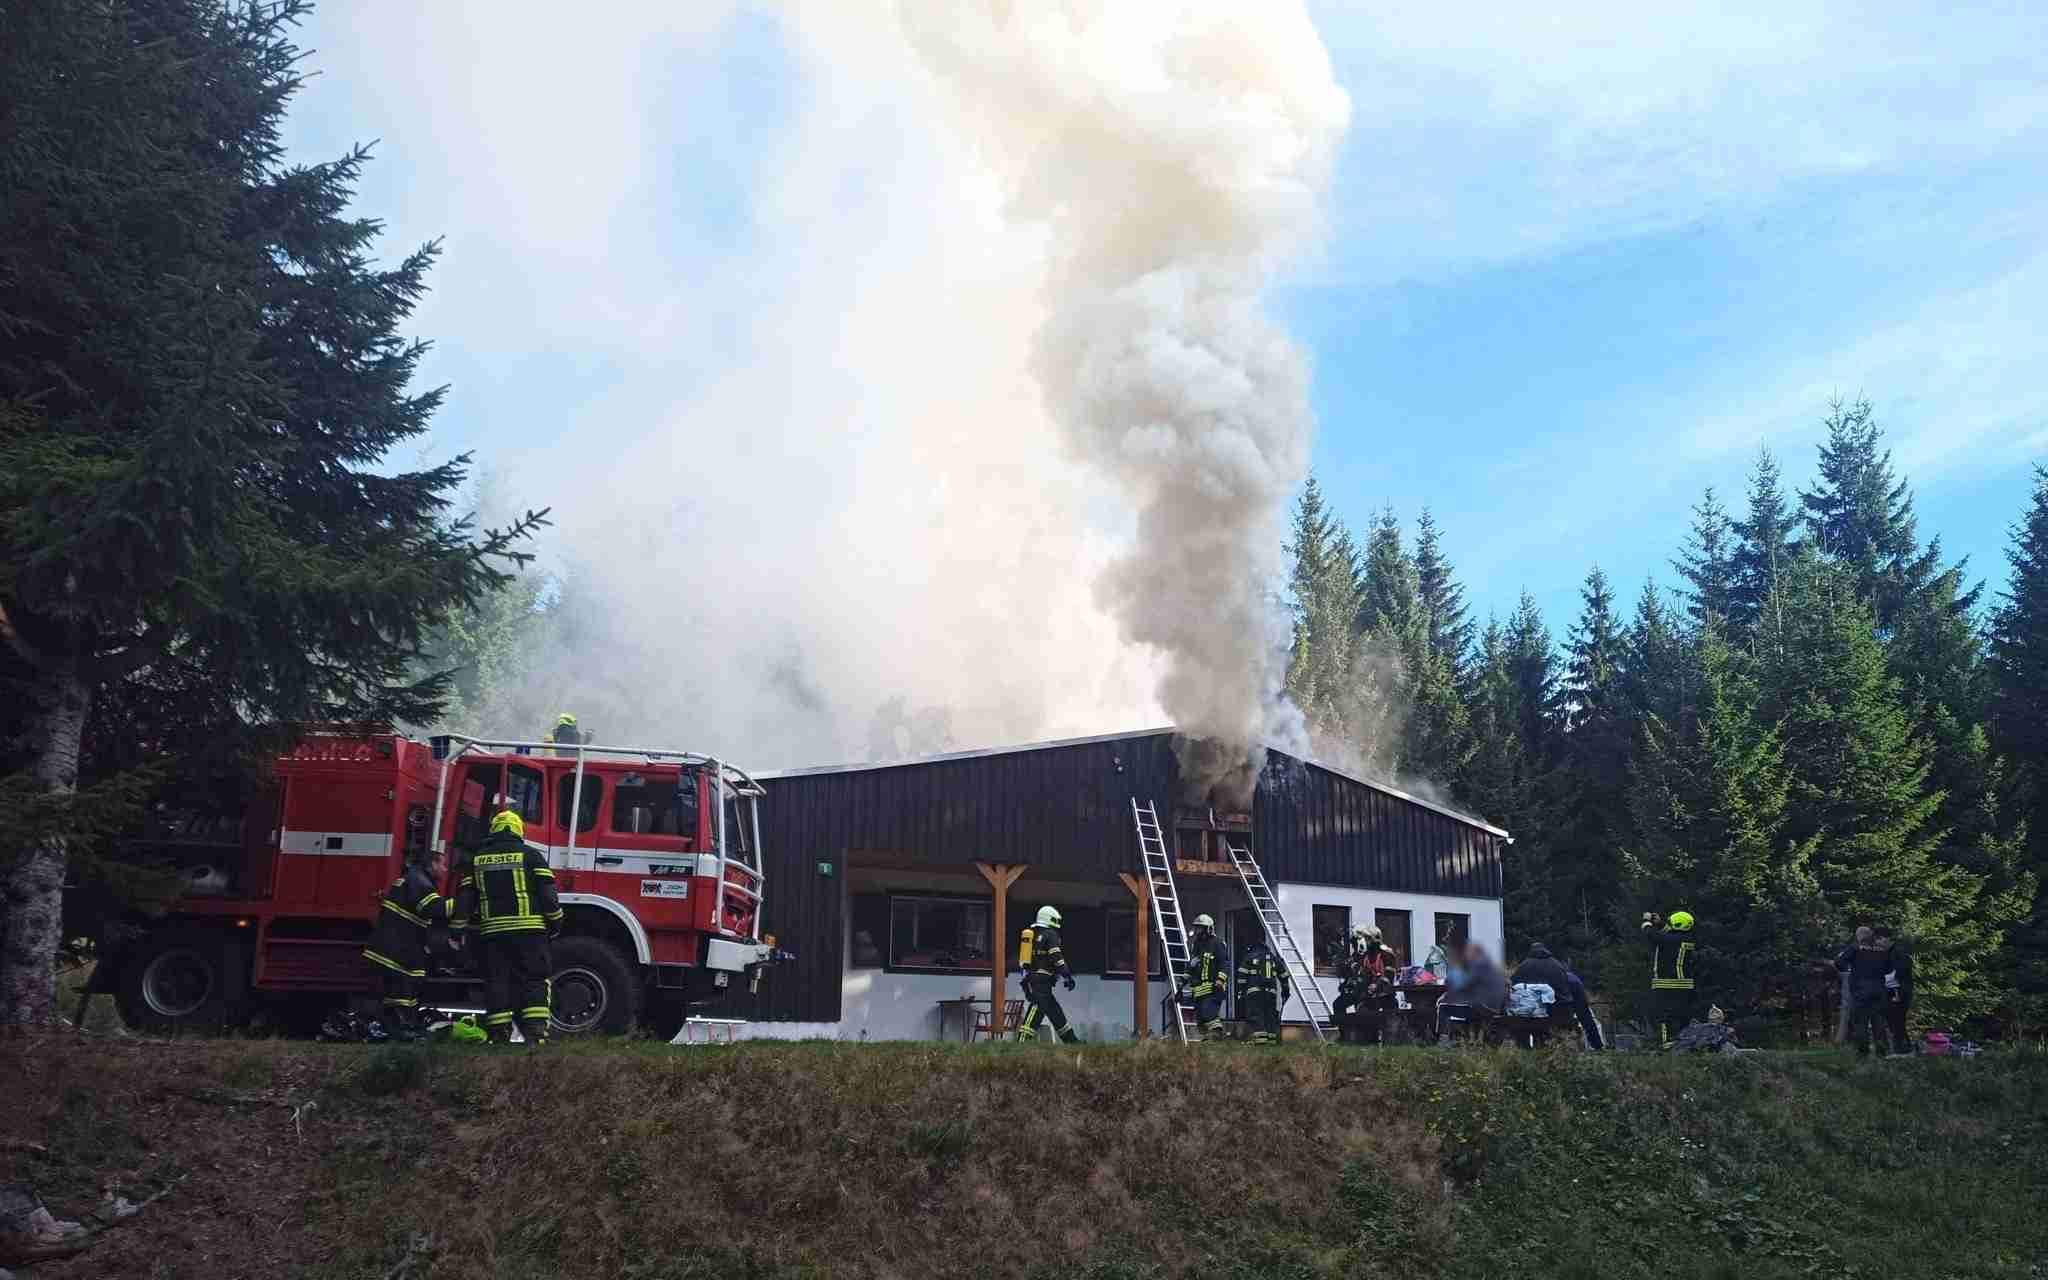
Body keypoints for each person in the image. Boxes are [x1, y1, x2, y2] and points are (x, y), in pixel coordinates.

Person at [453, 809, 562, 1045]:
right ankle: (536, 1037)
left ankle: (498, 1036)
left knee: (497, 981)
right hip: (530, 933)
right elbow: (549, 897)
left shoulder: (478, 859)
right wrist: (555, 923)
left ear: (494, 830)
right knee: (534, 979)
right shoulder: (531, 856)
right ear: (518, 830)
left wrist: (457, 928)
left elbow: (465, 899)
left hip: (493, 934)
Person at [360, 846, 453, 1038]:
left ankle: (396, 1026)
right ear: (433, 863)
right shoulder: (419, 881)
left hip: (396, 946)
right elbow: (434, 909)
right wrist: (463, 905)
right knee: (403, 989)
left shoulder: (414, 878)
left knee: (406, 986)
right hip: (395, 948)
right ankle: (399, 1028)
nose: (445, 870)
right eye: (442, 865)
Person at [1016, 905, 1081, 1043]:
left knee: (1054, 1011)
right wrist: (1067, 976)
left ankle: (1072, 1042)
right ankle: (1021, 1043)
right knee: (1036, 1010)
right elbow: (1056, 956)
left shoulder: (1032, 934)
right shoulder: (1051, 934)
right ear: (1051, 919)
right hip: (1042, 981)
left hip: (1032, 979)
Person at [1641, 909, 1698, 1049]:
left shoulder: (1668, 940)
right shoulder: (1687, 939)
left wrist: (1647, 922)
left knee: (1663, 1016)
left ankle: (1666, 1044)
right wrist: (1659, 923)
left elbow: (1652, 935)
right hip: (1686, 984)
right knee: (1683, 1016)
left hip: (1667, 983)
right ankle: (1685, 1043)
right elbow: (1668, 933)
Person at [1836, 926, 1891, 1056]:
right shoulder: (1882, 949)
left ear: (1859, 936)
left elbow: (1839, 962)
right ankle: (1882, 1052)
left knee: (1861, 1022)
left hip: (1861, 990)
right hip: (1879, 989)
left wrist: (1850, 969)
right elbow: (1889, 968)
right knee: (1879, 1022)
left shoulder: (1855, 948)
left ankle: (1862, 1053)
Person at [1436, 942, 1506, 1043]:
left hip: (1481, 1008)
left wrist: (1445, 997)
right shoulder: (1492, 968)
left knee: (1443, 1007)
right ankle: (1464, 1039)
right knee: (1466, 1006)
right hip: (1495, 1009)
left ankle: (1444, 1041)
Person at [1235, 935, 1290, 1044]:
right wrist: (1286, 992)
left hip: (1254, 993)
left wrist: (1240, 992)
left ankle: (1261, 1041)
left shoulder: (1249, 956)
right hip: (1271, 994)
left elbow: (1241, 976)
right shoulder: (1274, 958)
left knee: (1256, 1015)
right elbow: (1284, 976)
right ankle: (1271, 1041)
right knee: (1270, 1016)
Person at [1185, 914, 1230, 1040]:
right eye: (1197, 928)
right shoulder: (1196, 945)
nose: (1198, 931)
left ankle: (1217, 1036)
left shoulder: (1218, 944)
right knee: (1200, 1019)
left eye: (1201, 928)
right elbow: (1190, 967)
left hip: (1213, 988)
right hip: (1198, 990)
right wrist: (1180, 986)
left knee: (1209, 1013)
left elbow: (1224, 963)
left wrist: (1220, 980)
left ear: (1209, 929)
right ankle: (1208, 1042)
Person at [1877, 926, 1914, 1056]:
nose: (1879, 945)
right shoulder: (1889, 952)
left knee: (1897, 1021)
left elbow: (1902, 969)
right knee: (1895, 1022)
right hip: (1892, 991)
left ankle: (1903, 1048)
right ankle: (1902, 1047)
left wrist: (1890, 977)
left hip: (1900, 992)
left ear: (1885, 939)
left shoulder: (1898, 952)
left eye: (1879, 941)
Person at [1562, 959, 1604, 1050]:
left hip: (1565, 990)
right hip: (1577, 988)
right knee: (1586, 1018)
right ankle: (1597, 1045)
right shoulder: (1573, 977)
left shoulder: (1557, 975)